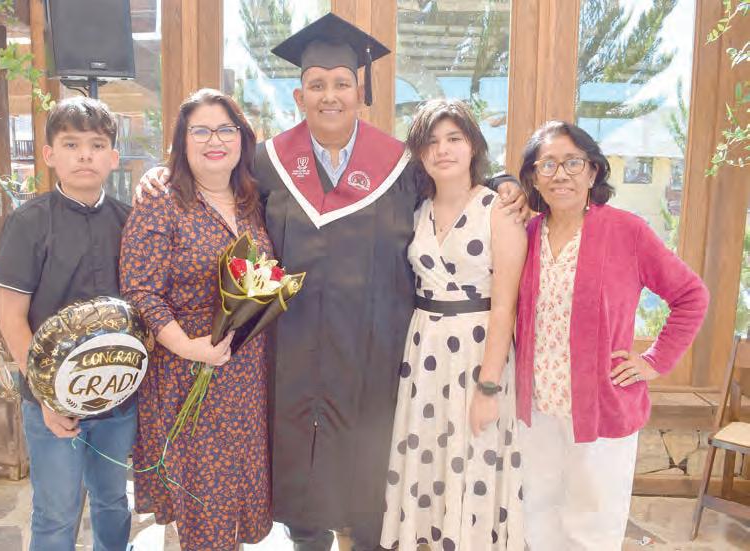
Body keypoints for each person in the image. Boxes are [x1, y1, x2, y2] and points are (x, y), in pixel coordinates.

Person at [137, 14, 527, 550]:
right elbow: (212, 179)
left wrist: (505, 183)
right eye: (316, 84)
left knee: (371, 484)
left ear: (360, 93)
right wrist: (160, 173)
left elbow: (454, 184)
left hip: (376, 354)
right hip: (291, 353)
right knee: (302, 483)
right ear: (299, 96)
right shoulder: (268, 163)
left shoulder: (399, 165)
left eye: (342, 83)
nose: (330, 95)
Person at [514, 121, 709, 550]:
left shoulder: (626, 231)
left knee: (592, 527)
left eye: (573, 163)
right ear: (533, 177)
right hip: (537, 408)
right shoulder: (525, 235)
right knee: (537, 518)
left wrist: (655, 360)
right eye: (547, 164)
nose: (560, 174)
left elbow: (691, 295)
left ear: (593, 171)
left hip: (601, 406)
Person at [120, 89, 272, 551]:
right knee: (203, 512)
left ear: (242, 138)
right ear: (182, 142)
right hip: (187, 372)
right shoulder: (162, 201)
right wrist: (189, 347)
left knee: (234, 503)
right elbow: (140, 289)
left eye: (225, 129)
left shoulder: (252, 201)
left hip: (246, 377)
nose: (215, 140)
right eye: (200, 131)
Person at [380, 99, 527, 551]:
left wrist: (488, 387)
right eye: (431, 142)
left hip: (477, 353)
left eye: (454, 138)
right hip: (423, 354)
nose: (442, 150)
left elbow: (505, 307)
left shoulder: (498, 209)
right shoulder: (416, 210)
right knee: (429, 464)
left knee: (474, 458)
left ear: (473, 146)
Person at [0, 97, 136, 551]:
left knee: (113, 501)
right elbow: (11, 316)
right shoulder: (28, 223)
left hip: (117, 399)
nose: (84, 155)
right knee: (56, 513)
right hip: (50, 405)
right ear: (49, 154)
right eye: (71, 144)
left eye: (96, 145)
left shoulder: (130, 221)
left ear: (113, 157)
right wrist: (47, 397)